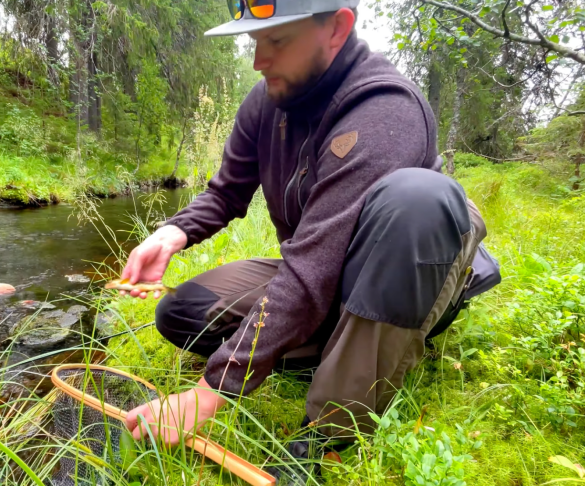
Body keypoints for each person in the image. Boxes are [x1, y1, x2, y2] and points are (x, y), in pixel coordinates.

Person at [120, 0, 501, 469]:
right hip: (322, 270)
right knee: (181, 312)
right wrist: (171, 233)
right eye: (255, 41)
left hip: (400, 283)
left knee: (418, 196)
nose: (259, 60)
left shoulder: (386, 109)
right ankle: (340, 349)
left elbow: (312, 267)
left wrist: (210, 391)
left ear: (337, 28)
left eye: (277, 40)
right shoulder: (268, 98)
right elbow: (226, 194)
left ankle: (328, 435)